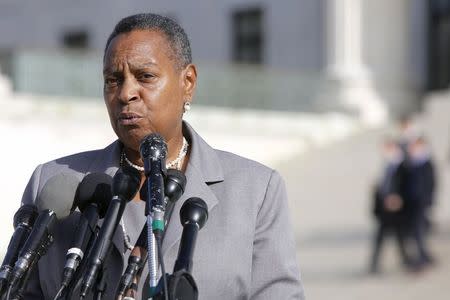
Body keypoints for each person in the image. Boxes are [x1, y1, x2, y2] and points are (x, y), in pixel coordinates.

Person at [19, 13, 304, 299]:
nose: (126, 93)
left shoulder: (256, 191)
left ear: (188, 82)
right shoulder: (54, 183)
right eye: (113, 80)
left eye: (145, 76)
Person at [369, 138, 411, 274]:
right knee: (380, 238)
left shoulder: (404, 165)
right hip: (384, 210)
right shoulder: (387, 165)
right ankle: (374, 264)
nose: (384, 152)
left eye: (387, 148)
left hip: (397, 209)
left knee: (399, 237)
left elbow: (407, 187)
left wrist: (399, 199)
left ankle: (406, 260)